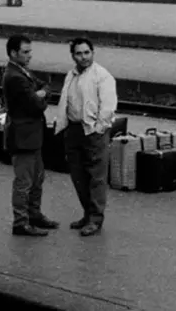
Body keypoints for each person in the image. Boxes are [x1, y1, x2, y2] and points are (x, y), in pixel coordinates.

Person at [53, 38, 117, 237]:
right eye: (79, 53)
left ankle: (96, 219)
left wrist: (98, 129)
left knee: (96, 177)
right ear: (73, 56)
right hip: (73, 130)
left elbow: (107, 107)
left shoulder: (102, 76)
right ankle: (87, 214)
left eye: (87, 52)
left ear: (93, 52)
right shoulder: (70, 75)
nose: (83, 57)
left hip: (93, 132)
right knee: (78, 175)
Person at [2, 34, 59, 237]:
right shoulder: (15, 77)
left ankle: (34, 215)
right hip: (23, 135)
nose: (30, 56)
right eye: (25, 52)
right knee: (24, 182)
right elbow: (35, 105)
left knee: (37, 178)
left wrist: (40, 93)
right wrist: (40, 97)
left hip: (32, 136)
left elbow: (44, 85)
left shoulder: (22, 71)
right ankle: (20, 222)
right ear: (13, 53)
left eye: (30, 51)